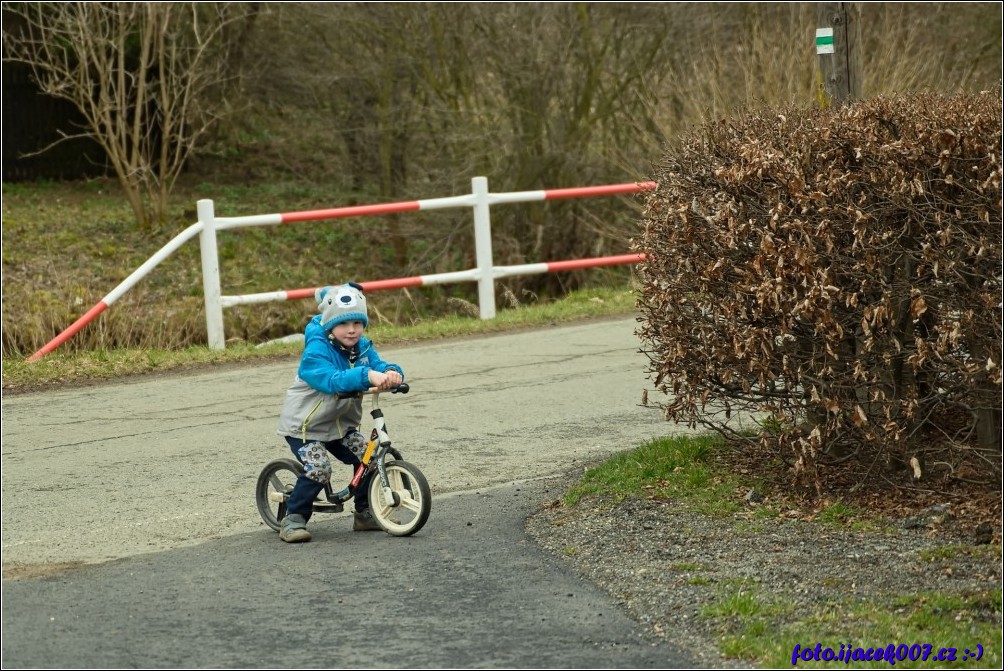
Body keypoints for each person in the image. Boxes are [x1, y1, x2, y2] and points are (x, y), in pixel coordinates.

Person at [275, 282, 404, 543]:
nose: (352, 330)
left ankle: (365, 512)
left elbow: (378, 364)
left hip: (340, 427)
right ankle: (294, 517)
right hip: (305, 427)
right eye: (345, 324)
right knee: (319, 468)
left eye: (358, 323)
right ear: (330, 324)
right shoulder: (316, 351)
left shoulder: (362, 347)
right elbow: (332, 380)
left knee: (368, 456)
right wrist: (366, 375)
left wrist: (392, 373)